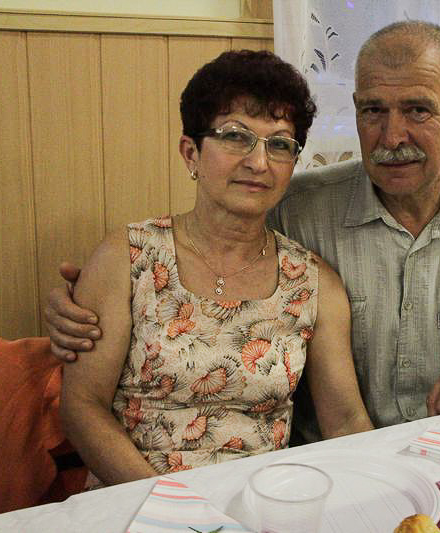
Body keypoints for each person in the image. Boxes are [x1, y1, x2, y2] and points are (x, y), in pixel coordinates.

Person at [47, 22, 440, 445]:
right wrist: (82, 301)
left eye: (418, 110)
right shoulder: (296, 208)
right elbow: (201, 256)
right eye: (373, 110)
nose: (392, 135)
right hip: (325, 470)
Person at [58, 50, 372, 487]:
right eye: (236, 137)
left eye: (279, 144)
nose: (259, 162)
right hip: (132, 495)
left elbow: (345, 421)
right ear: (191, 152)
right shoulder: (128, 258)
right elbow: (82, 406)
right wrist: (167, 502)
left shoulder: (313, 283)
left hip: (261, 500)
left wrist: (386, 490)